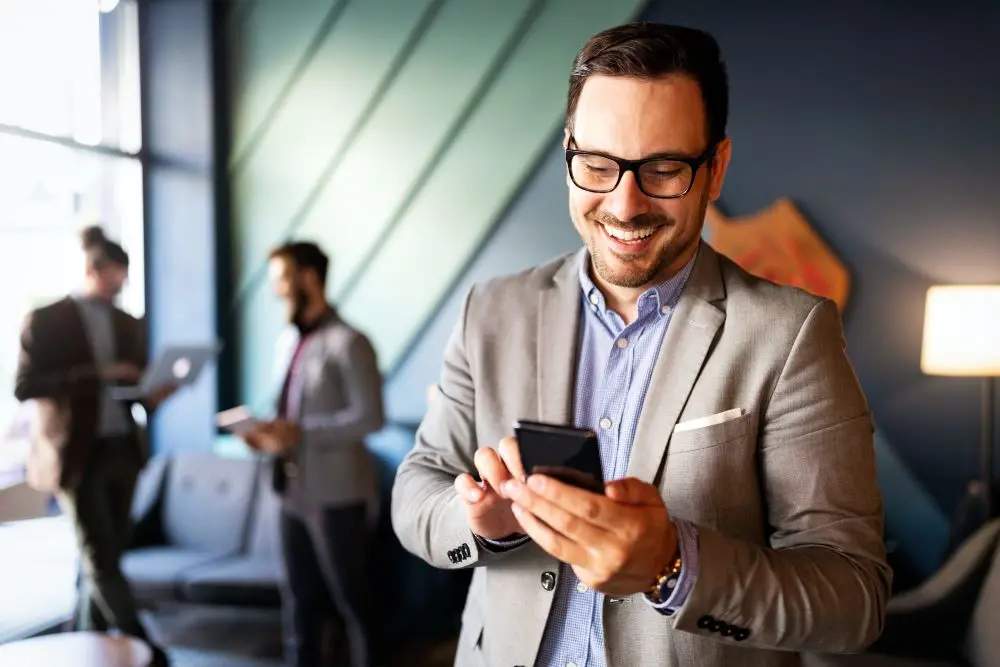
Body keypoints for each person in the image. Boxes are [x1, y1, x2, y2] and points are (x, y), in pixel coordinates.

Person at [391, 22, 891, 667]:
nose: (625, 205)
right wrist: (481, 522)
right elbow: (417, 487)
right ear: (568, 154)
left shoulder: (789, 334)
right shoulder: (491, 309)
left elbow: (854, 598)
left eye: (662, 169)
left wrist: (670, 564)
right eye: (597, 166)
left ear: (716, 169)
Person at [15, 226, 173, 667]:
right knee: (100, 558)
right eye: (115, 275)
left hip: (122, 448)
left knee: (105, 557)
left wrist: (154, 396)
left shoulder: (127, 322)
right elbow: (25, 385)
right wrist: (96, 373)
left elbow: (136, 392)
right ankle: (148, 648)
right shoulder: (47, 320)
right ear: (93, 270)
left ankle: (87, 645)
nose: (120, 285)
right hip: (75, 455)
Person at [241, 241, 384, 667]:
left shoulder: (351, 341)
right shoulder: (288, 341)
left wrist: (299, 433)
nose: (276, 290)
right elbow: (290, 409)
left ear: (309, 278)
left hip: (338, 494)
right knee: (299, 603)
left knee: (353, 603)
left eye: (281, 279)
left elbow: (370, 418)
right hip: (290, 492)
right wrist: (265, 432)